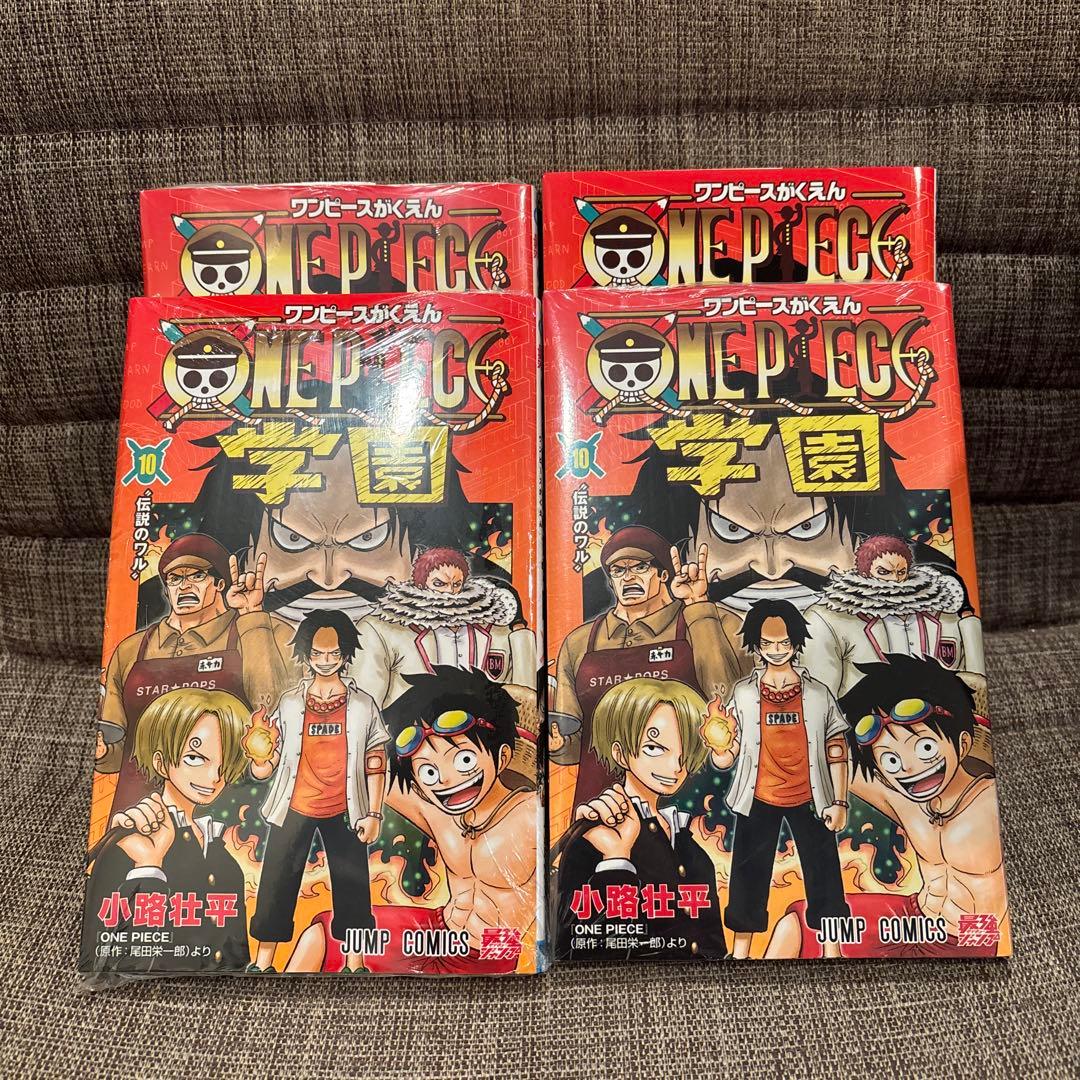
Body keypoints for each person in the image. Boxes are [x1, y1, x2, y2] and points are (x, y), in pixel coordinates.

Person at [286, 666, 537, 974]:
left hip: (494, 950)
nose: (446, 780)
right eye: (429, 771)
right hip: (437, 932)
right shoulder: (439, 814)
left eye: (464, 759)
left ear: (502, 756)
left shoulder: (530, 813)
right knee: (323, 935)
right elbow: (370, 770)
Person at [765, 655, 1008, 959]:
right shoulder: (904, 800)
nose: (909, 768)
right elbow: (831, 757)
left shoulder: (987, 800)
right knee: (795, 925)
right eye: (891, 760)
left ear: (962, 744)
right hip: (912, 918)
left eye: (925, 748)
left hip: (973, 934)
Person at [97, 532, 296, 813]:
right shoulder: (130, 649)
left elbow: (272, 707)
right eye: (175, 579)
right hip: (137, 810)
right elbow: (118, 746)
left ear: (220, 583)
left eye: (197, 576)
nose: (184, 586)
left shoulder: (263, 629)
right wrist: (103, 752)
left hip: (225, 807)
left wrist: (252, 614)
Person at [551, 525, 744, 805]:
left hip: (686, 796)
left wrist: (698, 607)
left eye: (640, 567)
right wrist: (557, 745)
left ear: (664, 574)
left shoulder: (713, 620)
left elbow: (728, 702)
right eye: (618, 570)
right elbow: (573, 740)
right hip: (601, 803)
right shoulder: (579, 642)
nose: (628, 577)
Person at [705, 598, 851, 958]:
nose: (776, 650)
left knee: (825, 873)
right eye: (768, 643)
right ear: (756, 646)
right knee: (748, 874)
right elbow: (727, 756)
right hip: (757, 797)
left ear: (796, 642)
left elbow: (836, 748)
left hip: (813, 798)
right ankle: (740, 953)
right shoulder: (743, 693)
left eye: (784, 642)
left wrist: (840, 802)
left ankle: (833, 951)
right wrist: (719, 745)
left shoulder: (818, 693)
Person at [248, 610, 388, 973]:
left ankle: (355, 965)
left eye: (334, 653)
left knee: (353, 887)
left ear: (346, 654)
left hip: (347, 809)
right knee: (276, 883)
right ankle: (262, 963)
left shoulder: (363, 705)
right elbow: (267, 766)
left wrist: (374, 814)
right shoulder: (290, 703)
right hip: (292, 806)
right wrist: (259, 754)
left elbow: (376, 762)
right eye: (317, 653)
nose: (326, 661)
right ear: (306, 654)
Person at [81, 688, 253, 973]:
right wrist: (150, 865)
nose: (214, 777)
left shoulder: (224, 859)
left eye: (224, 763)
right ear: (161, 762)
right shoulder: (130, 842)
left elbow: (237, 959)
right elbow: (109, 963)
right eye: (195, 758)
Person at [555, 678, 727, 962]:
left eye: (684, 752)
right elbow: (577, 950)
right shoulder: (594, 834)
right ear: (620, 753)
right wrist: (616, 859)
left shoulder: (688, 844)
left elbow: (713, 947)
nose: (675, 767)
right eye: (655, 748)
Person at [801, 534, 986, 700]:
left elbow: (972, 684)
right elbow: (819, 697)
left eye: (900, 572)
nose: (894, 579)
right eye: (884, 572)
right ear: (865, 571)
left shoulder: (945, 615)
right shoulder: (827, 619)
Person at [354, 547, 536, 707]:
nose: (450, 592)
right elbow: (364, 702)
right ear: (421, 583)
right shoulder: (380, 630)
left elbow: (525, 698)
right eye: (439, 584)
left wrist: (519, 630)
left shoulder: (499, 632)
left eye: (456, 584)